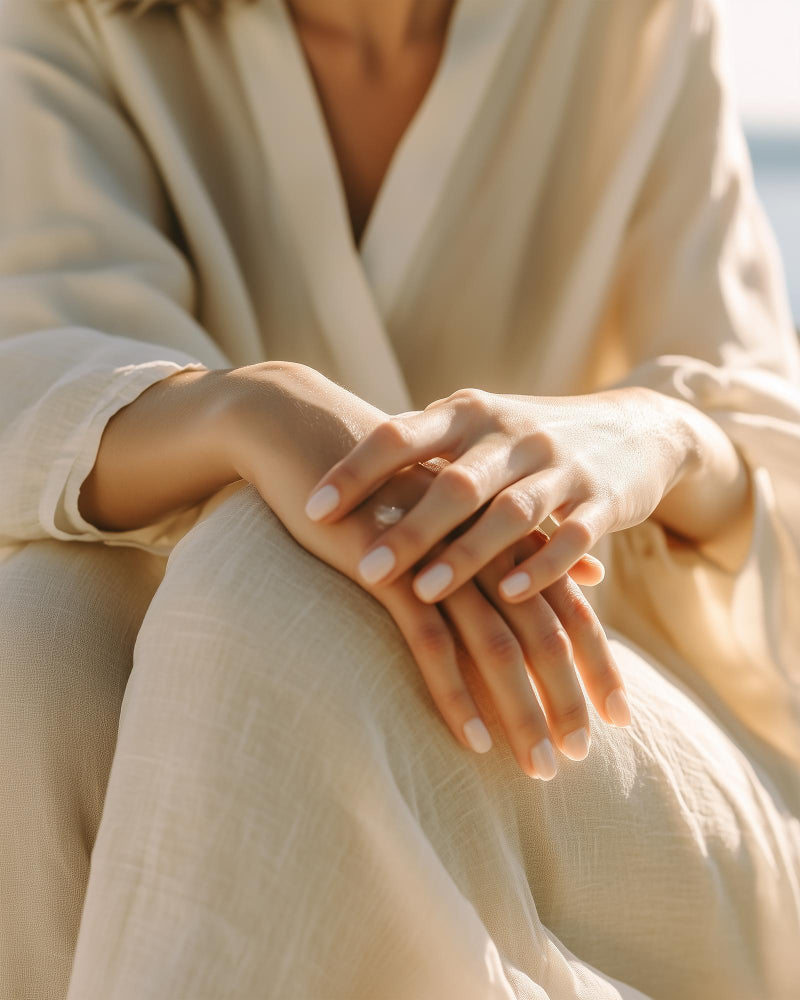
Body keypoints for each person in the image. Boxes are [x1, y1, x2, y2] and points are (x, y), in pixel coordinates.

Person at [0, 0, 798, 996]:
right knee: (34, 645)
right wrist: (243, 414)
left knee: (266, 582)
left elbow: (771, 473)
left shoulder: (630, 21)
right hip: (214, 707)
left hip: (581, 729)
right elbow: (30, 365)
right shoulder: (79, 20)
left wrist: (655, 430)